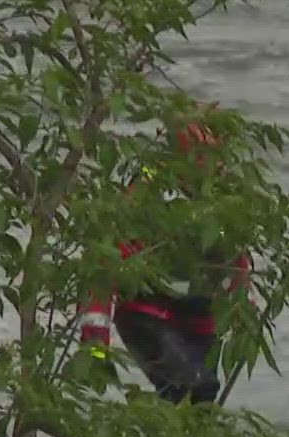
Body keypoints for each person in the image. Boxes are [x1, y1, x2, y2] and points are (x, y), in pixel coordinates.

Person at [76, 120, 251, 404]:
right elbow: (103, 268)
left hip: (199, 320)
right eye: (202, 158)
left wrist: (244, 318)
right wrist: (96, 342)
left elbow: (238, 262)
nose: (212, 167)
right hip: (146, 314)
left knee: (200, 405)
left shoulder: (226, 200)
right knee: (193, 387)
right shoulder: (145, 200)